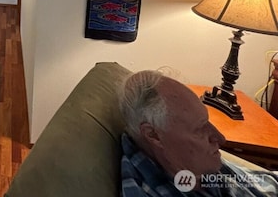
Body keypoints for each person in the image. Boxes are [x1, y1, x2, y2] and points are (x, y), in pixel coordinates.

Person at [118, 70, 278, 196]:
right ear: (154, 135)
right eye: (199, 128)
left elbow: (265, 182)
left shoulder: (191, 162)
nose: (220, 138)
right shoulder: (149, 188)